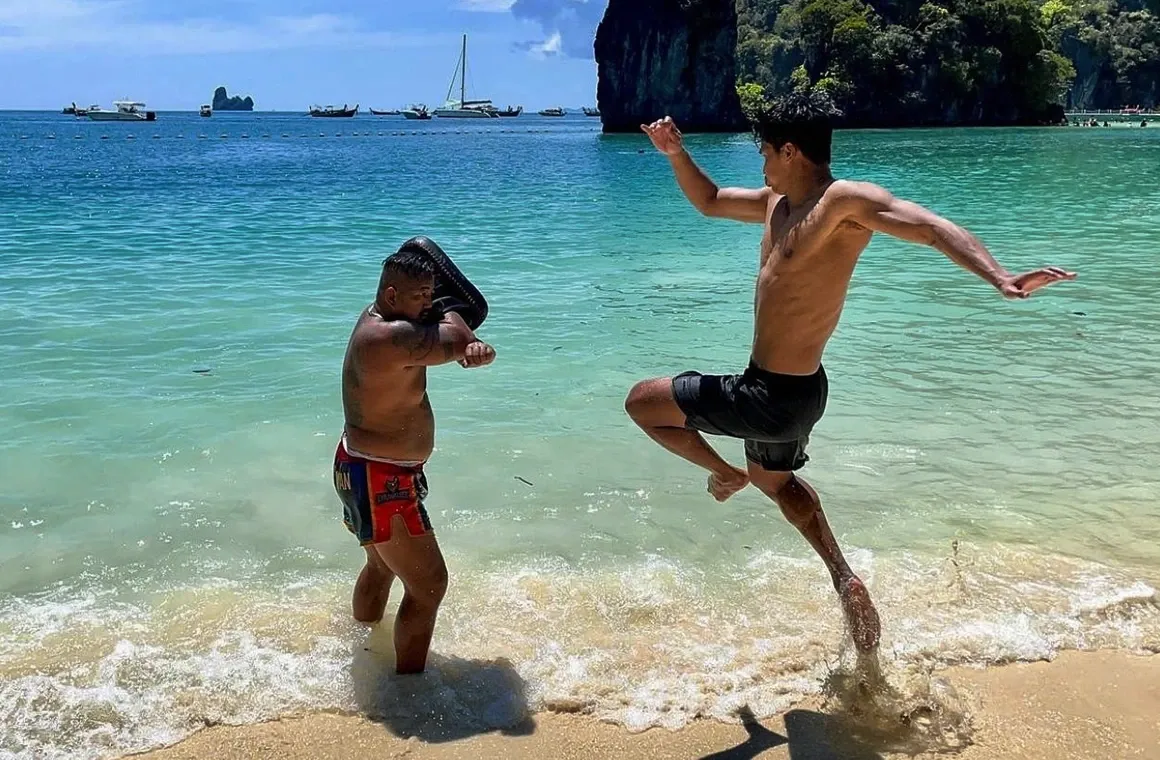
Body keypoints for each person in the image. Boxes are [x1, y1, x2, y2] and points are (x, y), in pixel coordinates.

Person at [625, 92, 1076, 653]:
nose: (762, 163)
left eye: (766, 152)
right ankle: (843, 575)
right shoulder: (775, 202)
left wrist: (999, 277)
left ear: (790, 150)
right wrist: (674, 154)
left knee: (643, 402)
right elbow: (712, 199)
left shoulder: (843, 202)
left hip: (769, 396)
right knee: (779, 483)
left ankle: (726, 475)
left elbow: (931, 227)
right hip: (797, 390)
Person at [334, 248, 495, 674]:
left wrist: (460, 340)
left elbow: (453, 343)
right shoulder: (387, 337)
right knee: (429, 586)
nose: (430, 302)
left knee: (380, 565)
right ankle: (408, 692)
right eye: (423, 295)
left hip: (362, 466)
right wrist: (456, 320)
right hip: (379, 478)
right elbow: (459, 338)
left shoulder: (378, 319)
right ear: (391, 294)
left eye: (431, 294)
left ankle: (362, 650)